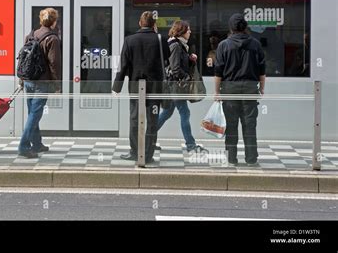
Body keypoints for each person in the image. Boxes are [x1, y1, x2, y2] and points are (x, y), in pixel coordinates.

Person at [112, 11, 170, 163]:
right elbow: (167, 60)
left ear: (140, 23)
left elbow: (123, 66)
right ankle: (148, 154)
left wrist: (116, 87)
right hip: (155, 88)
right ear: (154, 24)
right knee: (152, 120)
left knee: (134, 119)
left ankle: (135, 151)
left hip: (136, 87)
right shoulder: (161, 39)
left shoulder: (130, 40)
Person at [214, 13, 266, 167]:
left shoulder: (223, 45)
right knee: (249, 125)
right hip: (250, 89)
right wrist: (261, 89)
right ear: (245, 27)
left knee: (231, 126)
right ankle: (251, 159)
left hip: (229, 89)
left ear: (231, 27)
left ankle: (231, 158)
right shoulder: (255, 44)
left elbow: (218, 72)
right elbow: (262, 70)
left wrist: (217, 92)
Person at [157, 20, 208, 153]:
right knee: (185, 113)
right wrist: (187, 77)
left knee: (167, 113)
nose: (190, 32)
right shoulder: (175, 45)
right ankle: (191, 145)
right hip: (175, 86)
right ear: (182, 31)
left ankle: (146, 138)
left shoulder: (179, 45)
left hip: (173, 86)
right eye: (188, 29)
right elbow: (175, 69)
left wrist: (190, 59)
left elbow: (178, 64)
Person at [18, 8, 62, 159]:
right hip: (42, 82)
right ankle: (23, 146)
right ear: (54, 21)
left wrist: (22, 79)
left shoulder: (30, 36)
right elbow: (54, 63)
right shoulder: (53, 39)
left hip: (29, 80)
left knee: (32, 113)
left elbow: (24, 60)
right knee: (35, 114)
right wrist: (57, 84)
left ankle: (37, 144)